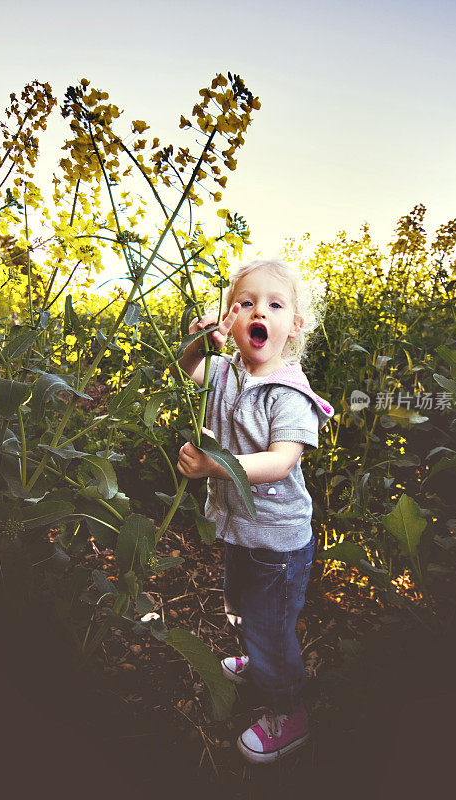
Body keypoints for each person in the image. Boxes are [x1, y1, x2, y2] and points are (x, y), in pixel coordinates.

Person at [174, 259, 334, 764]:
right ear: (229, 319)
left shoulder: (289, 394)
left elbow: (281, 461)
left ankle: (288, 712)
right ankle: (255, 654)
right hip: (241, 529)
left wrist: (213, 466)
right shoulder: (225, 370)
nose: (256, 311)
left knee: (271, 627)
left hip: (279, 542)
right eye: (244, 304)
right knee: (239, 603)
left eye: (273, 304)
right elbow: (187, 368)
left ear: (294, 325)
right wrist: (200, 341)